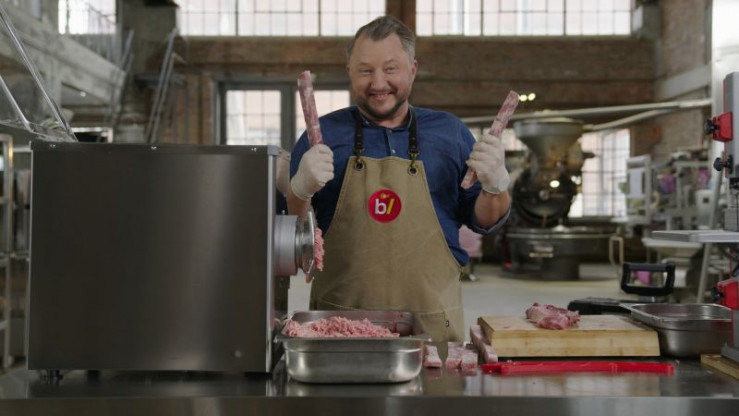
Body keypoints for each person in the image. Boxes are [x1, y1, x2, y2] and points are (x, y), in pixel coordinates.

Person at [288, 16, 510, 342]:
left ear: (413, 69)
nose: (378, 83)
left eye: (391, 69)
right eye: (365, 70)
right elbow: (293, 236)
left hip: (432, 327)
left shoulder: (450, 134)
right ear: (349, 71)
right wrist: (300, 189)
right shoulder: (321, 138)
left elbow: (483, 221)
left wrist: (496, 187)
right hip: (340, 329)